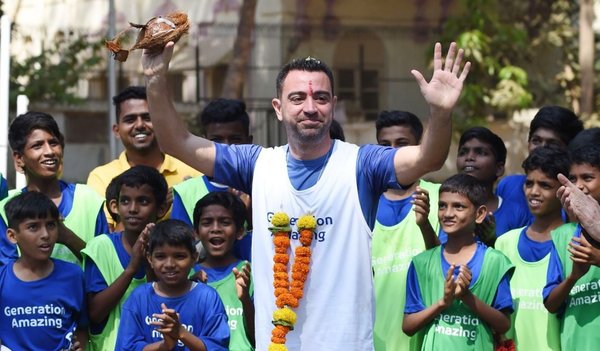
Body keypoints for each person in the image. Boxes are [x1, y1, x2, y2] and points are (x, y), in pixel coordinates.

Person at [142, 40, 470, 350]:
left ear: (333, 106)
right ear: (278, 108)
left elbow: (428, 158)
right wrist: (155, 79)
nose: (310, 107)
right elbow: (177, 143)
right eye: (297, 98)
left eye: (321, 98)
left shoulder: (362, 164)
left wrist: (440, 114)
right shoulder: (256, 165)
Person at [403, 174, 514, 350]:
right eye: (442, 206)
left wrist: (467, 297)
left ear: (479, 214)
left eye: (458, 206)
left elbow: (503, 324)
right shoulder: (421, 263)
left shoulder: (495, 262)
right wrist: (443, 303)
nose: (448, 213)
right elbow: (408, 326)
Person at [371, 110, 440, 351]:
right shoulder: (362, 202)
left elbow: (449, 264)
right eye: (385, 145)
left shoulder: (443, 197)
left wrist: (426, 226)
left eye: (402, 144)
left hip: (428, 339)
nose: (394, 152)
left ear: (419, 147)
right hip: (372, 340)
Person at [0, 111, 107, 265]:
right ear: (19, 158)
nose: (49, 152)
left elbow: (106, 267)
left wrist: (67, 237)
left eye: (53, 143)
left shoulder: (89, 200)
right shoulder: (4, 210)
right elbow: (6, 274)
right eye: (37, 146)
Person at [82, 165, 168, 350]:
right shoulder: (100, 247)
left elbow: (162, 305)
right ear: (115, 206)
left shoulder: (170, 249)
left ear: (161, 209)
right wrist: (132, 268)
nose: (133, 209)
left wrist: (150, 264)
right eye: (126, 201)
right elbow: (95, 313)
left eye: (143, 201)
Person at [86, 86, 200, 226]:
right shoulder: (101, 178)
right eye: (130, 120)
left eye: (147, 118)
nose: (140, 125)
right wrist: (152, 209)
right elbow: (106, 235)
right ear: (116, 131)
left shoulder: (192, 171)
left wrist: (184, 200)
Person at [494, 146, 570, 350]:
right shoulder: (505, 243)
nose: (534, 192)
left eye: (544, 185)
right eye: (529, 183)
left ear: (563, 190)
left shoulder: (572, 242)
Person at [115, 219, 230, 350]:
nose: (169, 264)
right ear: (149, 259)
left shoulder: (207, 297)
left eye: (179, 256)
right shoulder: (138, 298)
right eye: (160, 256)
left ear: (194, 257)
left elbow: (217, 346)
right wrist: (166, 345)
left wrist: (181, 333)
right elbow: (126, 347)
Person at [0, 192, 88, 350]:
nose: (45, 235)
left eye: (51, 225)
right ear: (12, 236)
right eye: (33, 227)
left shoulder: (73, 276)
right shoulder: (2, 279)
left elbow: (83, 328)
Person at [171, 98, 254, 261]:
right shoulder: (186, 192)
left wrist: (249, 216)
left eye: (235, 139)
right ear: (203, 142)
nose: (226, 147)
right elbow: (179, 252)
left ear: (249, 141)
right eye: (217, 140)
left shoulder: (263, 185)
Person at [543, 143, 600, 350]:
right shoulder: (561, 237)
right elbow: (550, 304)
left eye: (587, 178)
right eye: (572, 179)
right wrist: (573, 277)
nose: (579, 187)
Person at [496, 106, 583, 220]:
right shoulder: (508, 186)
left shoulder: (576, 196)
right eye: (536, 141)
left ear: (569, 148)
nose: (542, 148)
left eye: (553, 144)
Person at [193, 191, 254, 350]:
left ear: (240, 231)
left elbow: (260, 335)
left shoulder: (250, 273)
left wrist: (245, 299)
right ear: (196, 232)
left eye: (225, 222)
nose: (215, 229)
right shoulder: (184, 275)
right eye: (207, 222)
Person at [453, 126, 530, 244]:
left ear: (499, 168)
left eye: (480, 152)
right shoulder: (446, 208)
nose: (469, 157)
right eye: (463, 152)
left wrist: (491, 241)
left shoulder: (516, 213)